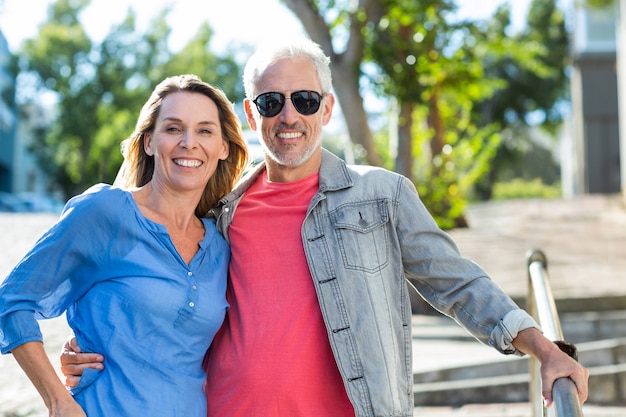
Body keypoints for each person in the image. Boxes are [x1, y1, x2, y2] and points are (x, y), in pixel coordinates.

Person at [61, 40, 589, 416]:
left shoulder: (382, 194)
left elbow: (457, 282)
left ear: (327, 108)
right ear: (251, 112)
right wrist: (91, 343)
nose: (288, 115)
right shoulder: (217, 207)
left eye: (305, 100)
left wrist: (545, 350)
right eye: (271, 102)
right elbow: (158, 294)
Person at [0, 74, 248, 417]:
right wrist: (58, 401)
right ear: (148, 142)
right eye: (173, 128)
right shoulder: (106, 213)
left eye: (205, 130)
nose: (189, 142)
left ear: (223, 148)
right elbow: (13, 300)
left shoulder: (221, 245)